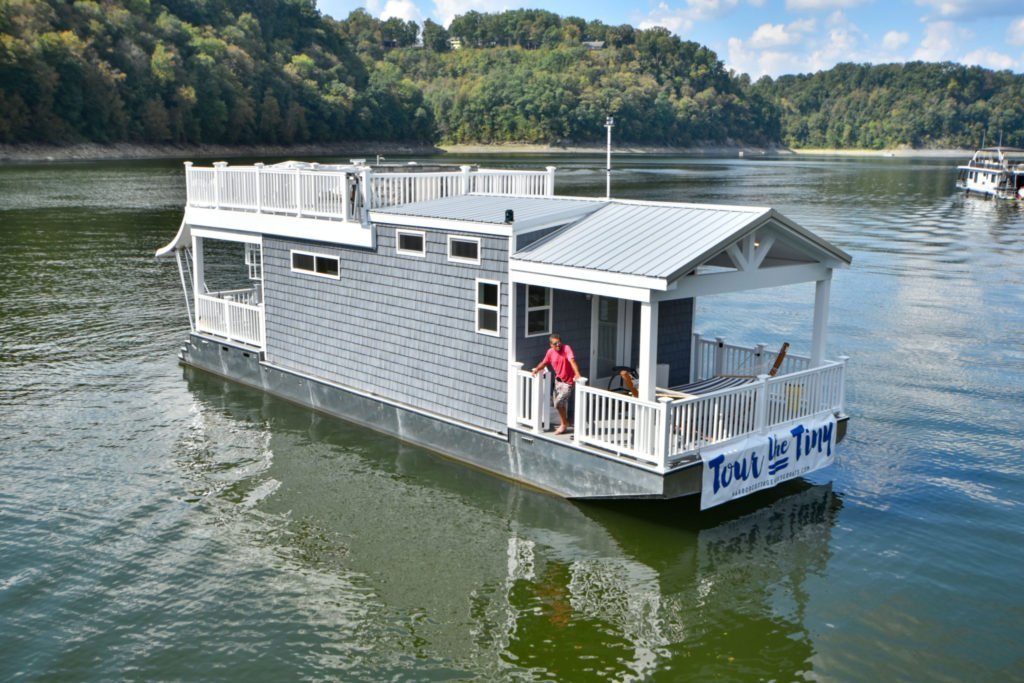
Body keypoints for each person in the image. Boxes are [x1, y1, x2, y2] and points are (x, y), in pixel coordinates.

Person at [531, 334, 582, 435]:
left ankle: (564, 424)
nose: (558, 345)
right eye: (555, 343)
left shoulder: (566, 348)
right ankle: (565, 423)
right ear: (551, 345)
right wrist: (536, 369)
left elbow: (572, 361)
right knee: (557, 404)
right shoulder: (550, 352)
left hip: (568, 382)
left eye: (559, 342)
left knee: (559, 402)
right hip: (558, 381)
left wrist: (577, 374)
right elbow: (544, 362)